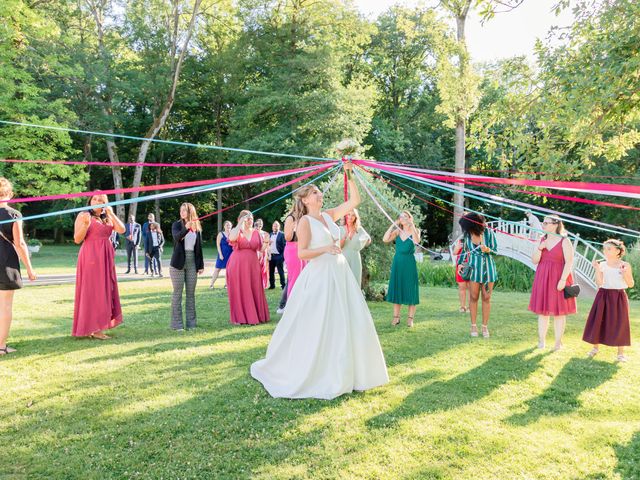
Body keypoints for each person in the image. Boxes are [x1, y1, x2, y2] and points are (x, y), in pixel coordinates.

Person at [251, 161, 388, 399]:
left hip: (340, 273)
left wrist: (350, 174)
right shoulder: (304, 222)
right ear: (304, 199)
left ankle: (351, 371)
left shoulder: (328, 215)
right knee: (322, 320)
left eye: (318, 192)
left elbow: (354, 202)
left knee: (346, 318)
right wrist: (326, 248)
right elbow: (303, 252)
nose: (319, 194)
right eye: (314, 192)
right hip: (320, 276)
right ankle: (319, 369)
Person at [72, 193, 125, 339]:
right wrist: (86, 225)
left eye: (101, 200)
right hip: (90, 256)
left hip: (106, 256)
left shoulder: (107, 216)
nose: (97, 201)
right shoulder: (83, 215)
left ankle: (98, 326)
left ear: (105, 203)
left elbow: (122, 230)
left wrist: (112, 214)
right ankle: (93, 328)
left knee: (105, 289)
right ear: (90, 201)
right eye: (94, 199)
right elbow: (77, 239)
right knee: (93, 291)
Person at [528, 215, 577, 350]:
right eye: (543, 223)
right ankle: (542, 341)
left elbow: (569, 261)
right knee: (542, 312)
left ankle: (557, 343)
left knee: (559, 312)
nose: (543, 225)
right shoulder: (541, 239)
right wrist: (540, 248)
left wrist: (562, 280)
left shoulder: (564, 240)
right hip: (543, 277)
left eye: (545, 223)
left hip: (559, 277)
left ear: (555, 225)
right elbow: (534, 260)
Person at [0, 178, 36, 355]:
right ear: (10, 194)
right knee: (5, 306)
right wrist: (29, 268)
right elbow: (20, 243)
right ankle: (1, 346)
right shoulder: (14, 214)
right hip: (6, 263)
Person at [583, 239, 635, 362]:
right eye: (604, 248)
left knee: (620, 323)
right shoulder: (602, 265)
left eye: (609, 248)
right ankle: (595, 348)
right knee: (599, 321)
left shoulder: (625, 265)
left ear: (618, 251)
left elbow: (631, 284)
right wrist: (596, 269)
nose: (605, 251)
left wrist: (624, 274)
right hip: (603, 295)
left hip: (618, 296)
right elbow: (600, 283)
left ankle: (620, 354)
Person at [457, 212, 498, 338]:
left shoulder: (489, 233)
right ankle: (473, 325)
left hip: (488, 270)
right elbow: (463, 252)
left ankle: (485, 327)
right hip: (474, 270)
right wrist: (460, 264)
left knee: (486, 298)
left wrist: (488, 250)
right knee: (473, 297)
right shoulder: (467, 235)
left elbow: (496, 250)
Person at [226, 210, 270, 325]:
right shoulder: (237, 231)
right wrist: (240, 223)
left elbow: (260, 249)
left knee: (254, 287)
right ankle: (239, 317)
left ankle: (256, 315)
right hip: (237, 265)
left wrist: (266, 242)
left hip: (253, 265)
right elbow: (232, 238)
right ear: (241, 219)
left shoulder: (256, 232)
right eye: (247, 218)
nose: (250, 221)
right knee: (239, 288)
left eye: (251, 219)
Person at [169, 203, 204, 330]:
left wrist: (200, 266)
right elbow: (177, 238)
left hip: (192, 263)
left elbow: (199, 249)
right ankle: (177, 325)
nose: (182, 212)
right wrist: (186, 228)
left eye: (185, 210)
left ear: (190, 212)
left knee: (191, 294)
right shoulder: (176, 225)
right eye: (181, 210)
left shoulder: (197, 227)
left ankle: (192, 324)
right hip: (177, 264)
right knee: (177, 294)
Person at [383, 211, 421, 327]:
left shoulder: (416, 231)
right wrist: (393, 224)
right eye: (401, 217)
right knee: (397, 288)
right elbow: (385, 239)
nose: (403, 218)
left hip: (409, 262)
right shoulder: (397, 231)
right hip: (398, 262)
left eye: (405, 216)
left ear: (410, 218)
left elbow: (416, 241)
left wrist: (412, 225)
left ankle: (410, 319)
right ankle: (396, 317)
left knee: (410, 288)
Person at [277, 200, 307, 314]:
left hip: (304, 248)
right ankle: (291, 308)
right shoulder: (291, 218)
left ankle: (302, 305)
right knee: (294, 279)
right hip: (293, 249)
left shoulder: (305, 218)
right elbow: (288, 237)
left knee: (304, 277)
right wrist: (296, 228)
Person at [339, 209, 371, 288]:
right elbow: (339, 246)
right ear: (345, 216)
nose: (350, 217)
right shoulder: (340, 228)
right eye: (349, 214)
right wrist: (344, 237)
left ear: (356, 218)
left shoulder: (359, 229)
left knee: (355, 281)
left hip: (355, 258)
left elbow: (368, 239)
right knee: (343, 281)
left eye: (353, 215)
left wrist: (361, 242)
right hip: (343, 257)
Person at [210, 220, 233, 288]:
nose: (228, 226)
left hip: (231, 254)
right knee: (217, 269)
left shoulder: (233, 234)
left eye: (229, 225)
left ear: (231, 226)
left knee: (228, 270)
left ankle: (226, 284)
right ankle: (211, 284)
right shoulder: (221, 234)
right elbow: (218, 245)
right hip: (222, 254)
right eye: (227, 225)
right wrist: (220, 254)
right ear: (224, 226)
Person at [452, 238, 469, 313]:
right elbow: (455, 253)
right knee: (462, 287)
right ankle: (462, 307)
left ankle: (470, 307)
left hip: (470, 266)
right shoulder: (461, 240)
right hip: (460, 267)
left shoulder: (474, 240)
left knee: (470, 288)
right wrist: (458, 246)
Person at [268, 220, 286, 290]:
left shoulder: (282, 234)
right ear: (272, 227)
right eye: (274, 226)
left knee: (280, 271)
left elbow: (285, 246)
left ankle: (283, 285)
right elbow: (268, 245)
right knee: (271, 271)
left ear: (278, 227)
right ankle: (272, 285)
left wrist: (282, 256)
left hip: (279, 256)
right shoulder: (270, 234)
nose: (275, 227)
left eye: (276, 225)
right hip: (271, 256)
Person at [254, 218, 270, 289]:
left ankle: (264, 284)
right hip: (255, 252)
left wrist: (269, 254)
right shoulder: (253, 232)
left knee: (264, 269)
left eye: (261, 224)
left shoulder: (265, 233)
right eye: (258, 224)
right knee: (256, 268)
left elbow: (268, 245)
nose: (259, 226)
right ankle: (256, 283)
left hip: (264, 253)